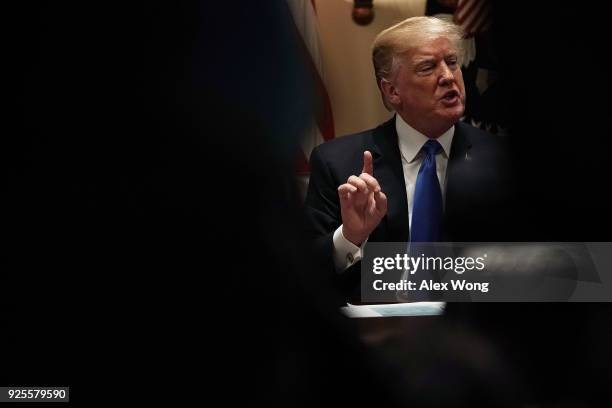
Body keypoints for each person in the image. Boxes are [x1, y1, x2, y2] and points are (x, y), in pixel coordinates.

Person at [304, 16, 514, 302]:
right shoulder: (337, 163)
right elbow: (303, 276)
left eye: (452, 62)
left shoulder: (504, 160)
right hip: (378, 335)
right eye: (428, 67)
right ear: (392, 91)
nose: (448, 76)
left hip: (476, 333)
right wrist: (350, 236)